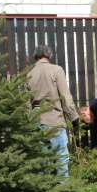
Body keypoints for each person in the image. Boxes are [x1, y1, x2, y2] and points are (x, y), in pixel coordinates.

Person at [27, 45, 78, 178]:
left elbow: (26, 104)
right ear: (49, 55)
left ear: (35, 56)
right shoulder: (56, 70)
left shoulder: (29, 74)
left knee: (42, 161)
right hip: (55, 120)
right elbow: (65, 97)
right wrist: (74, 117)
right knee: (61, 159)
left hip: (36, 122)